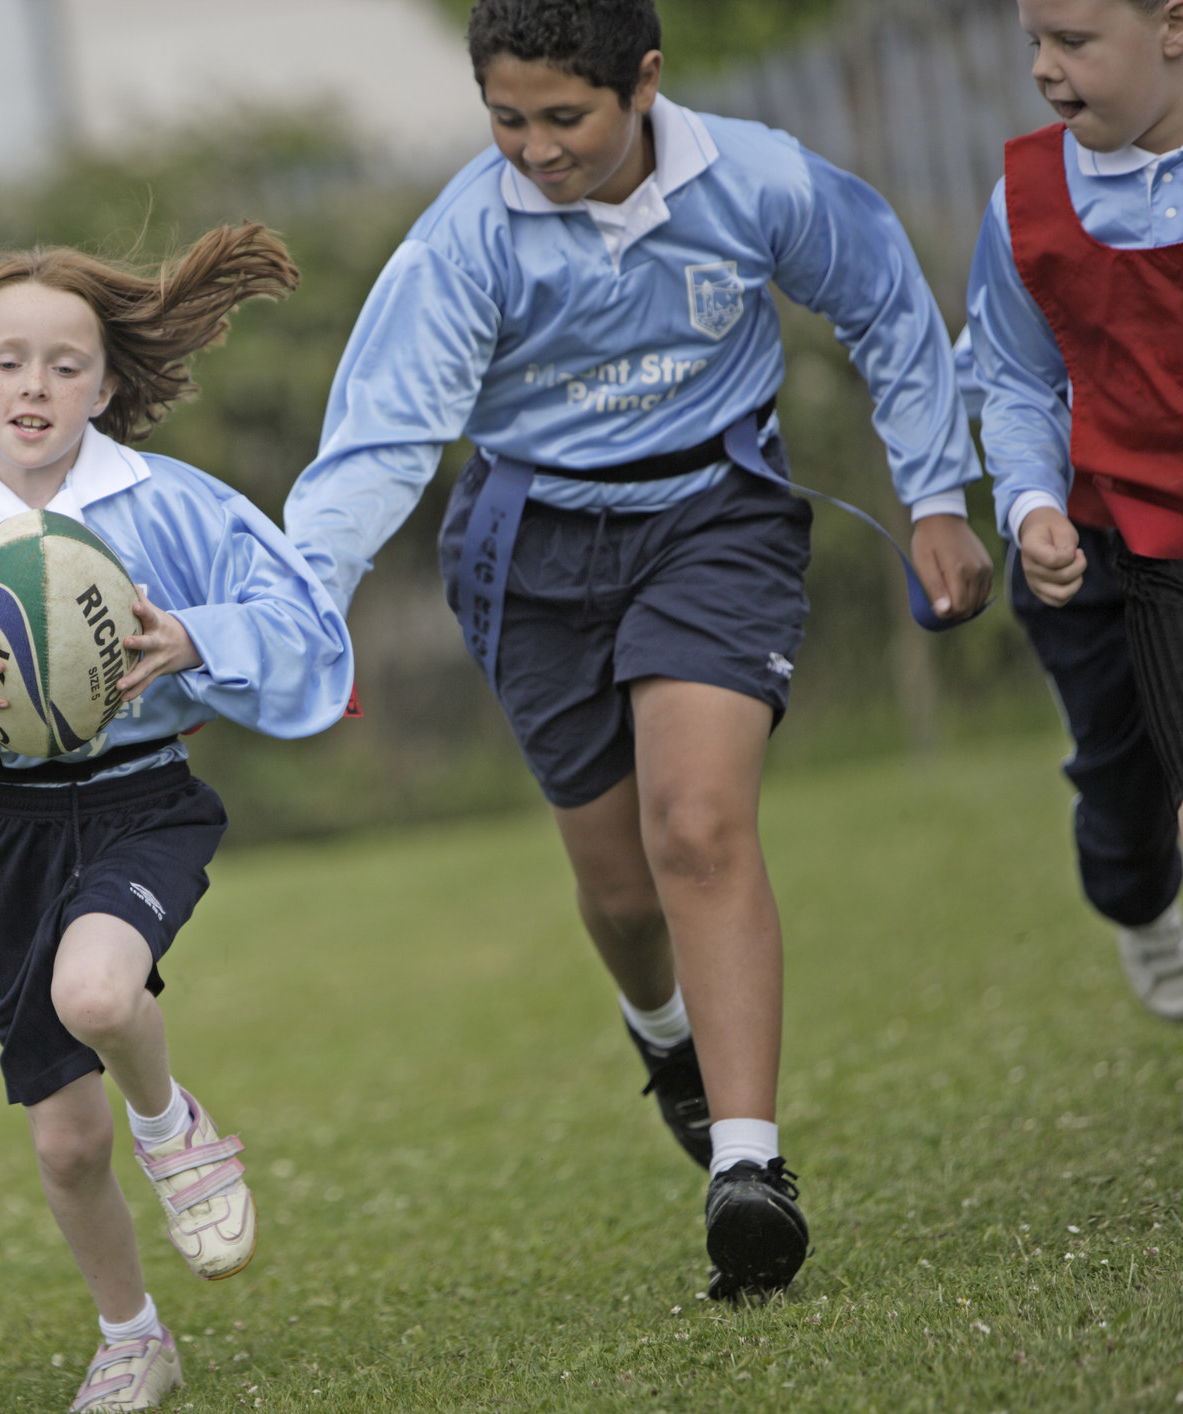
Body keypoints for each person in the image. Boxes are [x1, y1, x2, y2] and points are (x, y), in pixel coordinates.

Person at [281, 0, 992, 1300]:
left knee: (698, 828)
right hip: (531, 548)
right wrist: (295, 605)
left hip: (713, 518)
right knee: (619, 894)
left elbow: (887, 301)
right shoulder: (465, 241)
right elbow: (380, 440)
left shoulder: (761, 179)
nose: (537, 149)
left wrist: (935, 495)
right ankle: (662, 1035)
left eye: (566, 118)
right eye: (508, 120)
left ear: (644, 84)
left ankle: (747, 1167)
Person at [0, 225, 352, 1410]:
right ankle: (133, 1335)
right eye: (7, 361)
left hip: (143, 802)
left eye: (63, 363)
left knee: (97, 994)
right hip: (5, 827)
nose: (33, 386)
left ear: (105, 383)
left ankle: (174, 1125)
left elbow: (308, 631)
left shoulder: (172, 505)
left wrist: (198, 638)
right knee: (63, 1143)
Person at [967, 0, 1183, 993]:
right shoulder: (1025, 201)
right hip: (1097, 550)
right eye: (1034, 44)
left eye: (1076, 42)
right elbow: (1012, 380)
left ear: (1173, 26)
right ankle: (1140, 895)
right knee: (1126, 796)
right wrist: (1030, 504)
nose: (1046, 69)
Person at [953, 330, 1183, 1017]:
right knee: (1121, 785)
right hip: (1075, 541)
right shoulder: (1030, 231)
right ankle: (1138, 902)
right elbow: (983, 375)